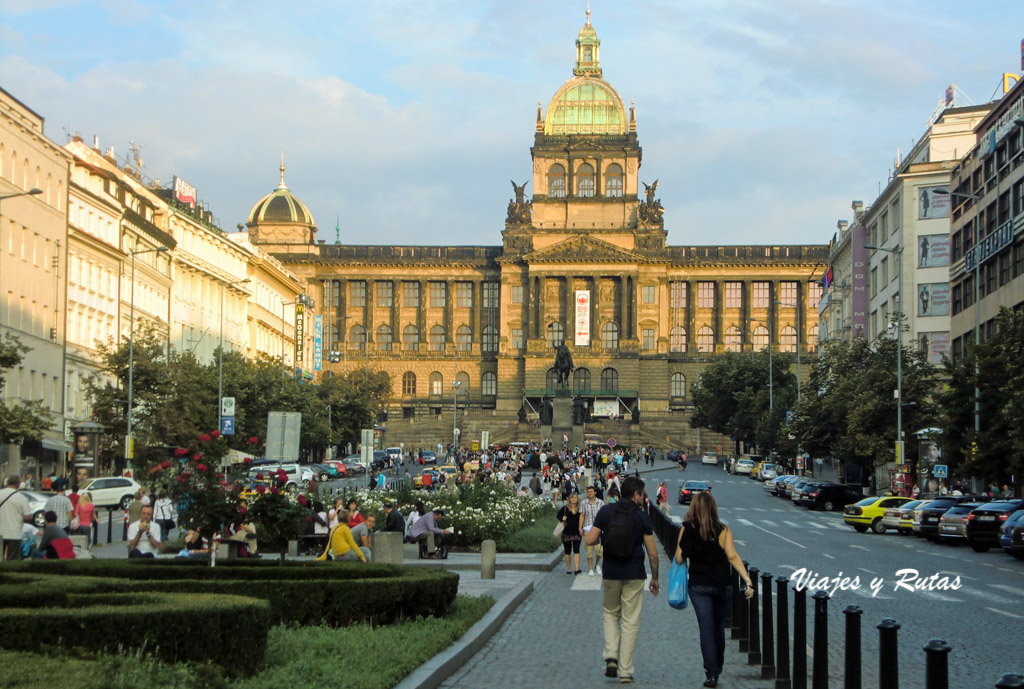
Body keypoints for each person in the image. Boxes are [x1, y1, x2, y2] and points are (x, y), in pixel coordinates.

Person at [584, 476, 659, 684]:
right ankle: (626, 671)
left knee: (610, 613)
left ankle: (611, 656)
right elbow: (653, 553)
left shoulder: (607, 511)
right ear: (635, 495)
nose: (644, 498)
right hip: (634, 572)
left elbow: (590, 539)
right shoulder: (642, 517)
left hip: (611, 571)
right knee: (630, 621)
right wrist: (656, 577)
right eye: (642, 494)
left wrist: (602, 539)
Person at [674, 492, 754, 688]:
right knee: (718, 628)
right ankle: (718, 664)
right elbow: (733, 556)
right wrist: (747, 580)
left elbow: (678, 558)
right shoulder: (722, 529)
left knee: (706, 629)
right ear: (713, 508)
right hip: (722, 585)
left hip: (699, 586)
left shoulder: (687, 530)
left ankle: (711, 673)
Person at [1, 475, 32, 560]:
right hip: (14, 533)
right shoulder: (22, 498)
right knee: (12, 559)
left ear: (7, 483)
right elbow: (27, 517)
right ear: (18, 484)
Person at [557, 492, 583, 574]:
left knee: (576, 549)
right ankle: (569, 569)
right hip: (566, 532)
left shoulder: (580, 508)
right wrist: (562, 519)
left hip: (576, 532)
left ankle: (576, 568)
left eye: (575, 498)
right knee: (567, 550)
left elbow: (583, 517)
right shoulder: (565, 508)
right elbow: (558, 515)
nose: (573, 499)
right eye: (572, 498)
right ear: (569, 499)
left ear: (577, 499)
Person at [582, 485, 605, 576]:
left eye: (591, 492)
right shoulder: (584, 503)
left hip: (598, 529)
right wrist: (580, 527)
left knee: (600, 549)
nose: (590, 493)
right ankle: (590, 568)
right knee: (589, 550)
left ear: (595, 493)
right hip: (587, 528)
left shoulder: (600, 502)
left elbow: (604, 515)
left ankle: (597, 564)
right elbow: (582, 515)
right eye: (588, 492)